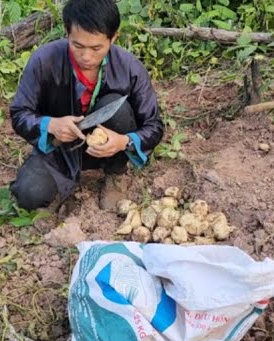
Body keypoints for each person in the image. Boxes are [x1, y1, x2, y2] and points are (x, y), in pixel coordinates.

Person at [9, 0, 164, 211]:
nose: (86, 57)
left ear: (113, 38)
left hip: (108, 148)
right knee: (28, 194)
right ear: (67, 33)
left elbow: (154, 125)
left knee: (116, 107)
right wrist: (51, 125)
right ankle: (59, 178)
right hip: (59, 147)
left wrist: (124, 141)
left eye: (96, 48)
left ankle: (115, 173)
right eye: (77, 46)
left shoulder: (130, 68)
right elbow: (19, 113)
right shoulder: (44, 61)